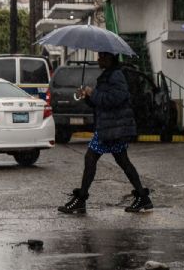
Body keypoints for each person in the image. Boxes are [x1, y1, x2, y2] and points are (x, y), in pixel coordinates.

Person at [58, 52, 152, 214]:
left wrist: (93, 93)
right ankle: (143, 197)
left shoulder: (116, 75)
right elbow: (100, 103)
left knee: (91, 158)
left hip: (113, 127)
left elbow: (116, 98)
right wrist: (87, 96)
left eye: (102, 57)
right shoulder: (109, 74)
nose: (98, 59)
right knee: (122, 161)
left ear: (110, 58)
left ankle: (81, 199)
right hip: (110, 126)